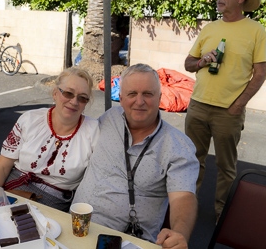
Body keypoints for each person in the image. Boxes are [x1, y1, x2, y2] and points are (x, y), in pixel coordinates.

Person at [73, 64, 199, 247]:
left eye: (147, 94)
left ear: (160, 98)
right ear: (121, 99)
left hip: (124, 240)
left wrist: (179, 232)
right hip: (75, 225)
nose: (139, 102)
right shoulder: (110, 118)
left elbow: (183, 197)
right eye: (132, 94)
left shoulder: (178, 146)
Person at [184, 0, 266, 220]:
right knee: (191, 161)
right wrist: (202, 61)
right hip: (198, 105)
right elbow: (188, 63)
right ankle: (187, 206)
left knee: (226, 167)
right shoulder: (209, 28)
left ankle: (223, 213)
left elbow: (260, 74)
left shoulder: (255, 30)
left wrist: (238, 105)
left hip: (228, 112)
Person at [0, 67, 99, 212]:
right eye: (68, 93)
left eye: (82, 98)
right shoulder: (30, 120)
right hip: (12, 192)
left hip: (53, 207)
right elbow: (1, 167)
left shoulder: (94, 132)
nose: (74, 101)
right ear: (55, 94)